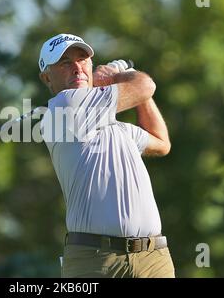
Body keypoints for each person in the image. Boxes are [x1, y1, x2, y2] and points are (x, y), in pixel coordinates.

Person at [38, 33, 175, 278]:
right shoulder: (64, 107)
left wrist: (133, 92)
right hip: (95, 260)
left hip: (153, 258)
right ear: (47, 77)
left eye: (82, 60)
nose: (77, 67)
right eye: (65, 62)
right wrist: (119, 76)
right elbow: (145, 86)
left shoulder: (117, 128)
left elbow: (162, 142)